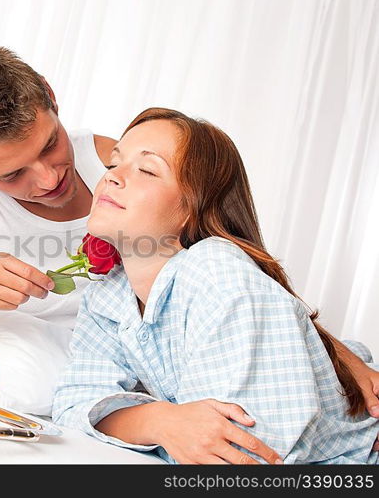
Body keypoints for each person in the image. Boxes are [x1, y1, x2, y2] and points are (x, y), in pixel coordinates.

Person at [0, 45, 378, 450]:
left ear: (50, 95)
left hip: (194, 377)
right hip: (112, 382)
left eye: (50, 145)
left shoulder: (121, 165)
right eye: (13, 174)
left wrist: (331, 353)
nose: (48, 179)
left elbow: (233, 263)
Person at [52, 107, 379, 464]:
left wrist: (145, 422)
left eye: (147, 169)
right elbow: (72, 405)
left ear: (192, 208)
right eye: (114, 164)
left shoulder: (217, 273)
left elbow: (239, 455)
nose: (111, 178)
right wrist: (160, 421)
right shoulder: (108, 295)